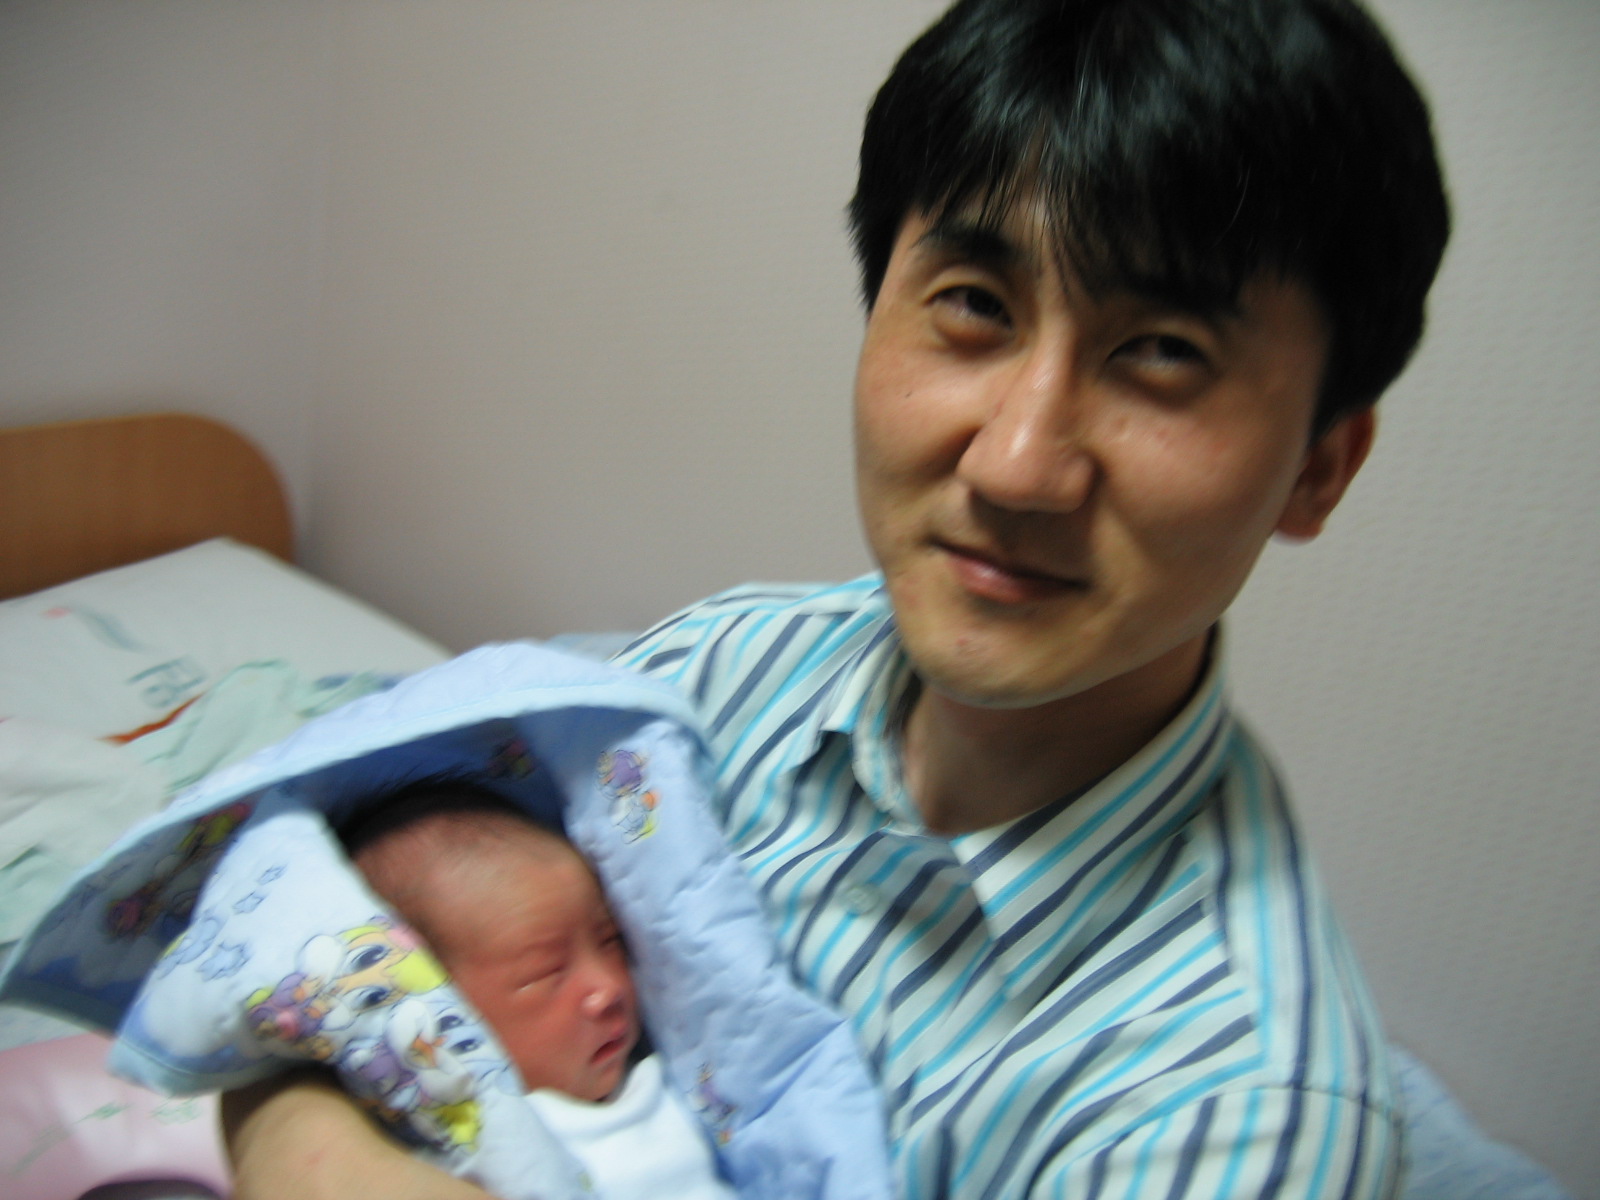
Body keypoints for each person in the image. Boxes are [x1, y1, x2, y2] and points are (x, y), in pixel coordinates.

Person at [223, 0, 1450, 1196]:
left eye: (1164, 352)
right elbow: (285, 944)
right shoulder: (712, 676)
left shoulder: (1226, 1121)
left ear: (1317, 468)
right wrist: (303, 1143)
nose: (1016, 463)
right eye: (975, 305)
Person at [336, 782, 736, 1200]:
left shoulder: (672, 1077)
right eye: (546, 973)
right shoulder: (462, 1159)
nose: (608, 988)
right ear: (444, 1011)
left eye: (609, 940)